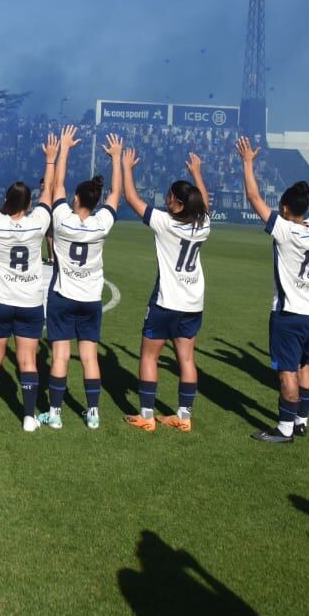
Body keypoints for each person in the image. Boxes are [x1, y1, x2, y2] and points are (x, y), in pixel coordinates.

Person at [0, 131, 56, 432]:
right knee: (28, 360)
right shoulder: (38, 222)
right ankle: (29, 416)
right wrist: (51, 160)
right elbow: (49, 193)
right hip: (29, 302)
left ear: (6, 200)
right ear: (29, 203)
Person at [237, 135, 309, 443]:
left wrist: (248, 162)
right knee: (304, 366)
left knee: (287, 371)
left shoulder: (284, 230)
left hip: (289, 313)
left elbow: (253, 197)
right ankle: (302, 420)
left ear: (286, 207)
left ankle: (285, 429)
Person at [121, 147, 211, 432]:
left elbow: (132, 199)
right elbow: (204, 205)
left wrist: (126, 167)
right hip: (192, 302)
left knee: (149, 355)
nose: (165, 198)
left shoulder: (165, 222)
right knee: (186, 358)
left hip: (165, 301)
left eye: (169, 195)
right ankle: (183, 416)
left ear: (176, 201)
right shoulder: (202, 224)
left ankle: (147, 414)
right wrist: (197, 172)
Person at [39, 128, 122, 430]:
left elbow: (57, 183)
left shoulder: (61, 220)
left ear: (75, 199)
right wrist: (115, 160)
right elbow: (116, 194)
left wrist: (64, 148)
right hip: (90, 299)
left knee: (60, 354)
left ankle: (56, 413)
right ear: (96, 201)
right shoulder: (101, 223)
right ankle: (93, 413)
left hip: (63, 296)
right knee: (89, 357)